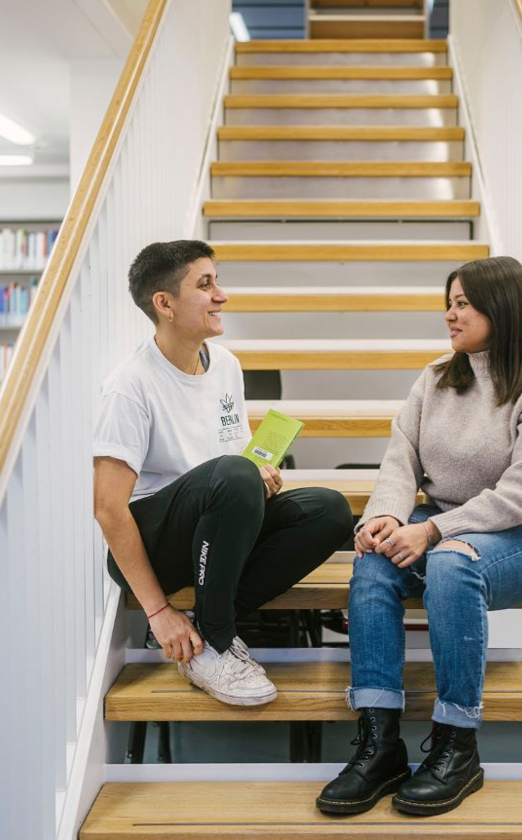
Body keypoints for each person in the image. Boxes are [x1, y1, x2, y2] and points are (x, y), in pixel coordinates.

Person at [316, 256, 522, 816]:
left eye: (463, 303)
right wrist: (385, 517)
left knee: (452, 561)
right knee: (372, 561)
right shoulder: (438, 376)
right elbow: (400, 459)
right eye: (450, 301)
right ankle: (379, 742)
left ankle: (458, 745)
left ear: (501, 307)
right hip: (443, 524)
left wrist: (434, 529)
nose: (450, 314)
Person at [93, 239, 353, 707]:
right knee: (233, 475)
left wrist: (262, 474)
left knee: (329, 510)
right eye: (205, 284)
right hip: (158, 544)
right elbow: (108, 509)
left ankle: (204, 626)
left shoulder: (227, 365)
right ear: (164, 304)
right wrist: (157, 611)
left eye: (218, 282)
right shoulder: (129, 386)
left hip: (216, 524)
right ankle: (214, 643)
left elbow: (235, 457)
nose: (222, 295)